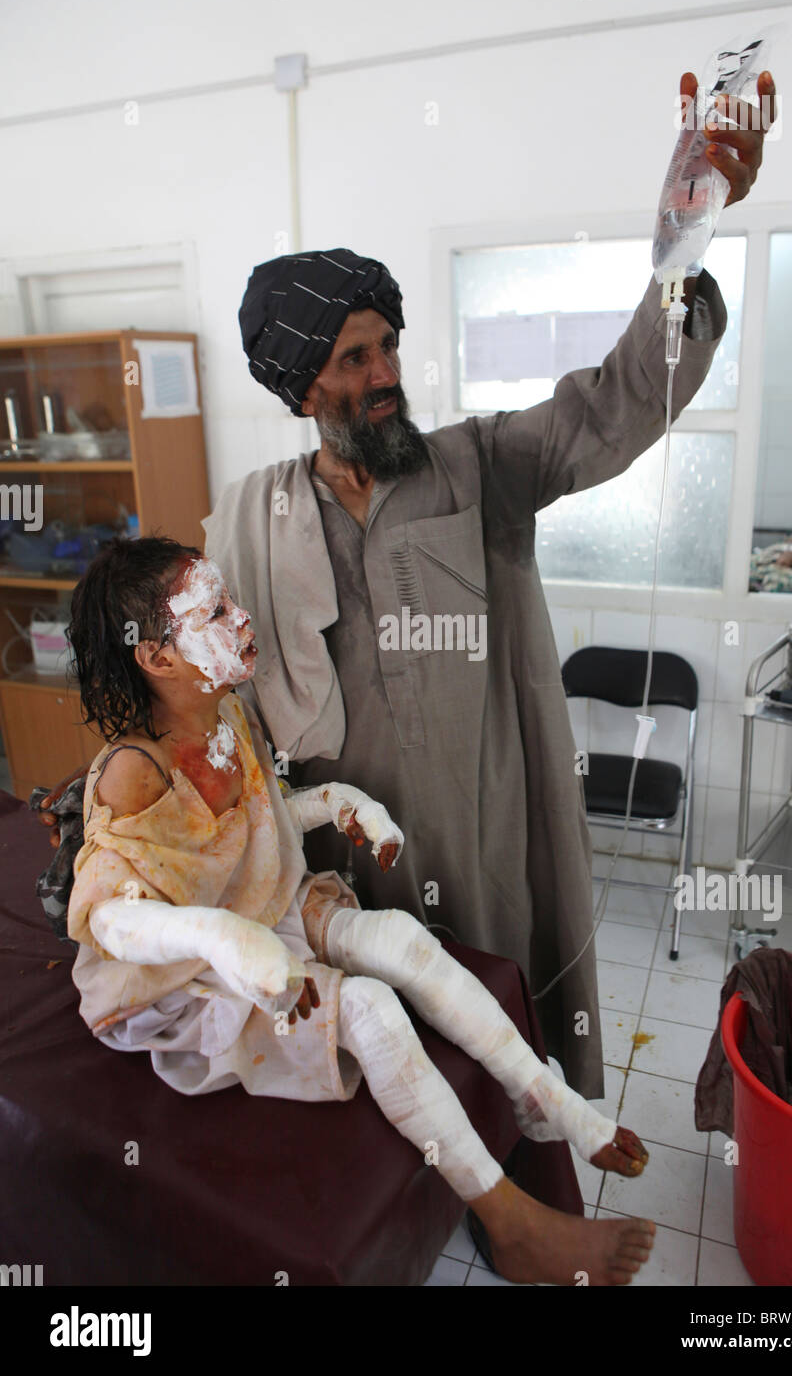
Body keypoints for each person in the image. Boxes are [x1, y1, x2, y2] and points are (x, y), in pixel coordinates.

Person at [40, 71, 776, 1101]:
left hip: (482, 832)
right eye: (352, 357)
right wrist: (122, 814)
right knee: (374, 1041)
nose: (383, 371)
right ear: (303, 388)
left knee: (496, 1021)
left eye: (387, 344)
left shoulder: (480, 465)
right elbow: (194, 688)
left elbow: (615, 405)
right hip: (343, 847)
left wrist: (682, 255)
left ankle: (518, 1179)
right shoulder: (251, 513)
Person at [65, 535, 655, 1286]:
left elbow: (258, 821)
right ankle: (512, 1225)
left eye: (232, 600)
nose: (244, 620)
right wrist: (220, 940)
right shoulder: (131, 774)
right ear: (156, 657)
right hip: (177, 980)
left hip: (264, 914)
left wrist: (345, 803)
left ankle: (546, 1102)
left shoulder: (229, 716)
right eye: (215, 611)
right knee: (371, 1008)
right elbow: (111, 919)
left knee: (403, 940)